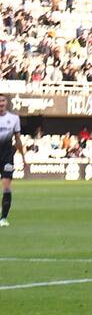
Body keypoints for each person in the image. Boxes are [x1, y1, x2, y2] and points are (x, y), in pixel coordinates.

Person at [0, 95, 26, 227]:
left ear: (6, 102)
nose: (1, 103)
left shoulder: (14, 118)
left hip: (7, 157)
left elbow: (18, 139)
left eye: (3, 100)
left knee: (6, 186)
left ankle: (3, 218)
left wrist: (23, 157)